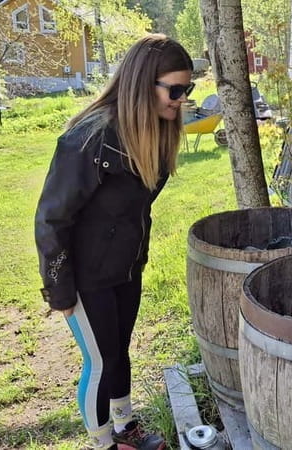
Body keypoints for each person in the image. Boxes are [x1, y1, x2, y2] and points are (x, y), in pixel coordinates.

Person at [35, 34, 194, 450]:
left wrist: (135, 259)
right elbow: (52, 218)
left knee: (119, 350)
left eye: (187, 89)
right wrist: (59, 289)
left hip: (125, 268)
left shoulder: (155, 132)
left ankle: (124, 428)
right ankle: (103, 443)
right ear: (144, 84)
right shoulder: (88, 138)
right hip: (85, 277)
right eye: (175, 90)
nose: (181, 99)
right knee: (101, 360)